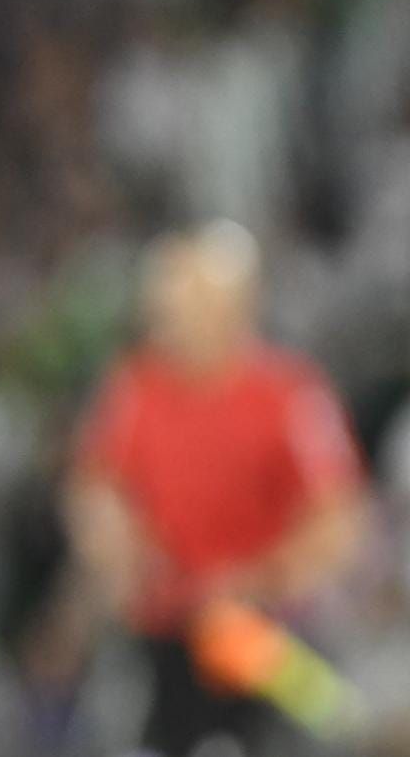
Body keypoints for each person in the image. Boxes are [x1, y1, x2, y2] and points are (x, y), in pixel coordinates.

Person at [65, 221, 366, 757]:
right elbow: (95, 489)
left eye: (184, 304)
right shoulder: (136, 391)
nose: (165, 321)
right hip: (164, 628)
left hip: (263, 631)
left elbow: (338, 517)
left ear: (233, 309)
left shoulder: (289, 396)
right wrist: (115, 545)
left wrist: (259, 579)